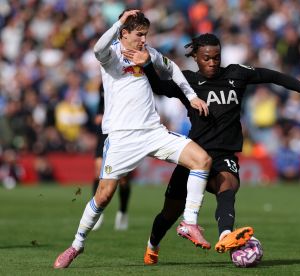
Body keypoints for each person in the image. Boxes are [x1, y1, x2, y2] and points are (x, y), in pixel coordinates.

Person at [121, 33, 300, 265]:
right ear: (195, 56)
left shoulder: (237, 74)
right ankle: (152, 246)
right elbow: (158, 86)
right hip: (193, 156)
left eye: (216, 57)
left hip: (224, 155)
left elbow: (273, 76)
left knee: (228, 185)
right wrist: (146, 64)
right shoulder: (187, 82)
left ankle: (226, 235)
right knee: (169, 213)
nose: (212, 62)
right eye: (207, 58)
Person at [53, 10, 212, 269]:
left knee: (202, 159)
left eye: (146, 35)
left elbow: (172, 68)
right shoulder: (111, 54)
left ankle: (189, 222)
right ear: (124, 33)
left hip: (153, 132)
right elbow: (97, 47)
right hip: (121, 137)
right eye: (139, 34)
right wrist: (118, 22)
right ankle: (77, 245)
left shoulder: (148, 53)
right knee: (103, 196)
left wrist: (192, 96)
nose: (143, 40)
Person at [91, 84, 131, 231]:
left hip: (123, 130)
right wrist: (99, 114)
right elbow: (102, 102)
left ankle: (122, 211)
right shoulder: (103, 83)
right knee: (97, 171)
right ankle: (97, 213)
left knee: (123, 178)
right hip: (106, 130)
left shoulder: (127, 80)